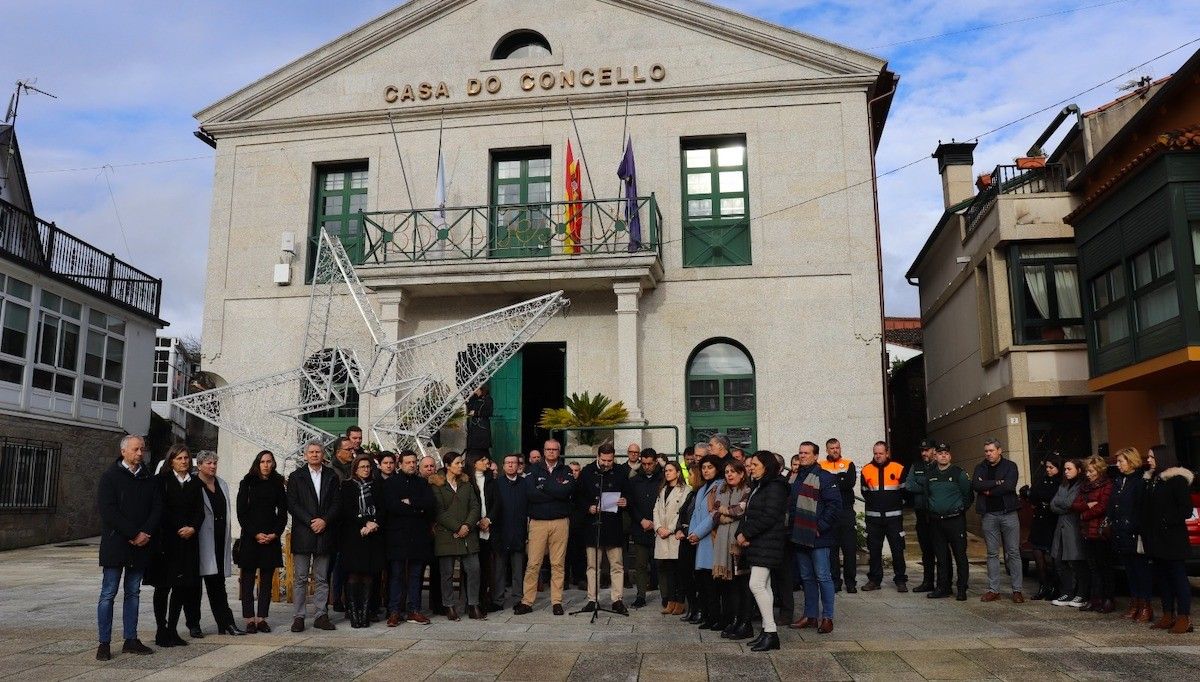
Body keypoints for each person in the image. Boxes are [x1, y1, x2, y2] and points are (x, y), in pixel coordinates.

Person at [96, 434, 161, 661]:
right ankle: (104, 642)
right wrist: (133, 533)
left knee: (133, 592)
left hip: (140, 546)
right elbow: (108, 511)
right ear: (124, 451)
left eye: (142, 449)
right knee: (108, 593)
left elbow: (156, 508)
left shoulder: (148, 479)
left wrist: (146, 533)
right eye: (135, 449)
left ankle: (130, 639)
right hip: (116, 544)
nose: (140, 454)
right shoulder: (110, 477)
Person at [146, 443, 202, 648]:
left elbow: (200, 511)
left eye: (186, 458)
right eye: (179, 458)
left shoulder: (195, 483)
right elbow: (160, 509)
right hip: (166, 542)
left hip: (187, 543)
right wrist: (180, 527)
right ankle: (161, 629)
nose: (184, 462)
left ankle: (173, 630)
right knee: (163, 587)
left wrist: (193, 528)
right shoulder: (161, 481)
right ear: (171, 461)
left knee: (181, 588)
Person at [514, 439, 576, 615]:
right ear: (543, 451)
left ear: (559, 451)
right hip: (538, 523)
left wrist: (545, 487)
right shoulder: (532, 470)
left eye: (554, 449)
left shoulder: (566, 470)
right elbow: (531, 494)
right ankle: (527, 601)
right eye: (548, 449)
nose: (551, 452)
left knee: (558, 563)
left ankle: (556, 601)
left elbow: (567, 492)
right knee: (533, 563)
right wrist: (556, 491)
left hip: (560, 522)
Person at [737, 451, 790, 652]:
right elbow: (749, 513)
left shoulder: (776, 487)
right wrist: (741, 532)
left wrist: (746, 534)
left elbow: (769, 516)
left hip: (768, 542)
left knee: (756, 584)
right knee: (763, 585)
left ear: (766, 466)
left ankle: (771, 632)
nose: (751, 467)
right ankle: (768, 632)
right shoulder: (760, 486)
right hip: (759, 543)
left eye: (755, 465)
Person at [287, 440, 341, 632]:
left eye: (318, 451)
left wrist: (324, 521)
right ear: (305, 455)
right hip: (303, 532)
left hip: (325, 532)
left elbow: (337, 503)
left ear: (323, 455)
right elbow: (292, 504)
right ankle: (299, 616)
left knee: (322, 577)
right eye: (311, 452)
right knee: (300, 578)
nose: (315, 455)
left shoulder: (331, 476)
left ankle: (320, 615)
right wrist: (312, 521)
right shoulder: (296, 476)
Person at [788, 441, 841, 634]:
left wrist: (819, 527)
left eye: (806, 453)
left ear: (816, 456)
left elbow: (834, 506)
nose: (802, 456)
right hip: (799, 535)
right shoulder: (795, 478)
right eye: (800, 452)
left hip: (818, 537)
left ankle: (827, 617)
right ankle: (810, 616)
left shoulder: (825, 478)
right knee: (807, 578)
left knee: (823, 577)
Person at [189, 451, 244, 636]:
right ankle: (194, 624)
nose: (212, 466)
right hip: (199, 542)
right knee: (195, 588)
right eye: (208, 463)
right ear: (200, 465)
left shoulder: (222, 484)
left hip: (219, 542)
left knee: (218, 586)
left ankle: (226, 623)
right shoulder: (193, 484)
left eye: (214, 463)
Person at [1143, 444, 1194, 634]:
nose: (1148, 460)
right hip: (1156, 539)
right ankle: (1167, 614)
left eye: (1151, 457)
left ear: (1162, 458)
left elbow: (1186, 509)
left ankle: (1184, 617)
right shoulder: (1152, 480)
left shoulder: (1177, 480)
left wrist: (1165, 520)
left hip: (1173, 539)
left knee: (1178, 577)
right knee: (1162, 578)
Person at [235, 450, 287, 634]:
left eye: (269, 461)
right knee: (248, 580)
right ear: (257, 463)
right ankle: (249, 618)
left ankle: (262, 618)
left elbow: (282, 513)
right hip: (251, 537)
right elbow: (241, 513)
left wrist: (275, 533)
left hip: (271, 537)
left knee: (266, 581)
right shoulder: (247, 482)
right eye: (263, 461)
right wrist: (255, 533)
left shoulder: (278, 484)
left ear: (273, 464)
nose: (266, 465)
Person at [382, 451, 435, 626]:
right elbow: (391, 506)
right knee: (396, 575)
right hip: (397, 536)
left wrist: (410, 502)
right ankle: (394, 611)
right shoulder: (391, 483)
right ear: (400, 464)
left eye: (414, 462)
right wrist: (415, 509)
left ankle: (414, 610)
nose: (411, 465)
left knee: (415, 575)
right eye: (408, 462)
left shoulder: (422, 483)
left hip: (418, 537)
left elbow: (429, 504)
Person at [430, 452, 485, 621]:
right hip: (447, 535)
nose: (461, 465)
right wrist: (456, 527)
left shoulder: (466, 484)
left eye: (461, 463)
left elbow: (475, 506)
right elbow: (439, 511)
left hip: (468, 535)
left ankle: (473, 605)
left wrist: (466, 526)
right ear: (447, 466)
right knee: (446, 573)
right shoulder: (437, 485)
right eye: (457, 463)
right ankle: (449, 606)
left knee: (473, 569)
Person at [578, 443, 629, 614]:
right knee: (592, 566)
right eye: (604, 460)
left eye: (610, 460)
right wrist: (589, 507)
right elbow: (578, 497)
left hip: (613, 524)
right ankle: (592, 599)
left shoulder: (621, 472)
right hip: (593, 525)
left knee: (617, 564)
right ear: (598, 457)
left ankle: (617, 599)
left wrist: (625, 501)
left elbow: (629, 493)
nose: (607, 463)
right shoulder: (587, 472)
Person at [972, 439, 1024, 603]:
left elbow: (1009, 486)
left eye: (991, 450)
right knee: (992, 553)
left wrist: (988, 490)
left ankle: (1017, 590)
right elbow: (976, 485)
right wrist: (996, 483)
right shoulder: (980, 467)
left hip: (1008, 513)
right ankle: (994, 590)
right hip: (989, 514)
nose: (988, 453)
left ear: (999, 450)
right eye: (986, 451)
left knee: (1013, 552)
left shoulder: (1010, 466)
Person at [338, 455, 386, 628]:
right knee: (353, 574)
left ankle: (365, 612)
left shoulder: (377, 485)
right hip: (353, 535)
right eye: (362, 466)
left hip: (373, 535)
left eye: (368, 467)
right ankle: (353, 612)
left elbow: (382, 508)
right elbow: (346, 510)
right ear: (355, 469)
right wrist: (364, 522)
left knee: (368, 574)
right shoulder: (347, 485)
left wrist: (373, 524)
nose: (366, 469)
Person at [923, 443, 972, 601]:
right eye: (940, 453)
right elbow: (927, 496)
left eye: (946, 453)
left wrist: (959, 509)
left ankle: (962, 588)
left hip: (955, 521)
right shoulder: (930, 475)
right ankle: (943, 587)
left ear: (950, 456)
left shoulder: (959, 474)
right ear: (935, 456)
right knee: (942, 557)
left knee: (960, 555)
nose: (943, 456)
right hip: (937, 522)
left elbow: (968, 496)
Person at [1107, 447, 1151, 622]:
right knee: (1130, 571)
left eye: (1121, 461)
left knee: (1141, 570)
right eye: (1117, 461)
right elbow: (1113, 505)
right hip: (1120, 532)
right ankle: (1134, 604)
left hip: (1134, 533)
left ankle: (1145, 605)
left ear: (1131, 461)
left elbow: (1141, 508)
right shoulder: (1119, 481)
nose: (1118, 465)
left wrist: (1134, 526)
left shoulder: (1139, 481)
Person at [710, 461, 751, 638]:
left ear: (742, 473)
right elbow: (714, 511)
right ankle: (733, 619)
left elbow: (741, 510)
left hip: (738, 543)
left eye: (733, 471)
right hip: (722, 543)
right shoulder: (723, 490)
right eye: (726, 472)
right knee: (729, 587)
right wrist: (724, 513)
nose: (729, 475)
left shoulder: (747, 490)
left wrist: (724, 512)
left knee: (742, 586)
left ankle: (744, 621)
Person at [860, 441, 907, 592]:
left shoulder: (898, 468)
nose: (878, 456)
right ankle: (874, 580)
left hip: (894, 519)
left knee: (897, 550)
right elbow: (864, 492)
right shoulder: (866, 470)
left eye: (881, 453)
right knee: (874, 551)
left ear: (887, 453)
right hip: (873, 519)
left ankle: (900, 580)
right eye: (875, 453)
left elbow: (905, 492)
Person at [1072, 455, 1114, 613]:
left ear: (1099, 470)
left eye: (1091, 471)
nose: (1087, 474)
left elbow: (1103, 506)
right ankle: (1095, 598)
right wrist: (1086, 506)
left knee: (1105, 566)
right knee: (1093, 567)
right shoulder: (1084, 486)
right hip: (1086, 531)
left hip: (1101, 531)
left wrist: (1084, 514)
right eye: (1087, 471)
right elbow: (1075, 504)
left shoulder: (1107, 485)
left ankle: (1108, 599)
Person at [684, 455, 723, 626]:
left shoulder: (720, 485)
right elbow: (695, 513)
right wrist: (692, 533)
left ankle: (715, 617)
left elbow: (714, 514)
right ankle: (707, 615)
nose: (706, 470)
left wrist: (697, 533)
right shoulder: (701, 489)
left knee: (712, 582)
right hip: (699, 539)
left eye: (710, 467)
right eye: (704, 467)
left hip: (711, 539)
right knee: (702, 580)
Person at [820, 437, 858, 593]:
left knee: (849, 549)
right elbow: (821, 485)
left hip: (846, 511)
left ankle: (851, 582)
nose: (835, 450)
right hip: (830, 512)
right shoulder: (821, 465)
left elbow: (849, 483)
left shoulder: (849, 464)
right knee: (832, 550)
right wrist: (838, 481)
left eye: (837, 448)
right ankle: (836, 581)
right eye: (832, 448)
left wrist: (831, 483)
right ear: (827, 450)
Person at [627, 448, 663, 608]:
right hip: (640, 527)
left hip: (658, 528)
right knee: (640, 564)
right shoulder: (634, 480)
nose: (647, 466)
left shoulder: (662, 479)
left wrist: (657, 523)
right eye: (644, 463)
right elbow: (630, 504)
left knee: (661, 564)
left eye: (650, 463)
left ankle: (666, 596)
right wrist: (641, 520)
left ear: (655, 462)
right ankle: (640, 595)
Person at [1049, 459, 1087, 608]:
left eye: (1069, 469)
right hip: (1061, 527)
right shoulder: (1063, 485)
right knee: (1059, 561)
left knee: (1077, 561)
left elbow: (1072, 503)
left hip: (1074, 527)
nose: (1066, 471)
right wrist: (1065, 506)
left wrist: (1065, 505)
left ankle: (1081, 593)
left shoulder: (1081, 486)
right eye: (1065, 469)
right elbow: (1053, 504)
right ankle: (1067, 591)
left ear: (1078, 469)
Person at [467, 452, 502, 611]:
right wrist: (476, 521)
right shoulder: (466, 480)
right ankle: (472, 601)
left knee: (487, 565)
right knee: (472, 568)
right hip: (472, 528)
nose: (486, 462)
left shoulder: (491, 480)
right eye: (482, 460)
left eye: (487, 459)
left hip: (488, 528)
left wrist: (488, 519)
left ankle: (484, 600)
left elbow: (497, 503)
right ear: (474, 463)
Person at [493, 454, 528, 610]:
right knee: (499, 570)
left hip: (519, 532)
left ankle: (517, 599)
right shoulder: (496, 484)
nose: (511, 465)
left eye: (514, 463)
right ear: (503, 465)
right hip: (501, 532)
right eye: (507, 463)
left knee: (518, 570)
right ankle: (498, 600)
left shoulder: (525, 483)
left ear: (518, 465)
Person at [653, 461, 688, 616]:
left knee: (679, 571)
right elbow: (656, 510)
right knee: (668, 571)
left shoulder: (685, 490)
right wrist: (659, 527)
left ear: (678, 472)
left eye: (670, 470)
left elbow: (683, 512)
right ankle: (670, 601)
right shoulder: (663, 490)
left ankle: (680, 602)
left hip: (675, 535)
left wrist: (670, 529)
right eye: (666, 470)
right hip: (662, 535)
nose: (667, 473)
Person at [1026, 455, 1063, 600]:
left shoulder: (1060, 482)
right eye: (1047, 467)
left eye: (1051, 467)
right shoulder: (1041, 479)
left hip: (1052, 520)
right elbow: (1033, 495)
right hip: (1039, 519)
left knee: (1053, 556)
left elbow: (1055, 497)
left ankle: (1055, 586)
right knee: (1037, 552)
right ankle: (1043, 585)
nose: (1048, 470)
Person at [905, 439, 937, 593]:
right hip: (921, 513)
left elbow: (941, 485)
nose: (924, 453)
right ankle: (928, 582)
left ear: (934, 451)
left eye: (927, 450)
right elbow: (909, 485)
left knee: (941, 550)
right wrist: (929, 485)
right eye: (922, 450)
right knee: (926, 551)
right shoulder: (916, 466)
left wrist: (924, 484)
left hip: (937, 514)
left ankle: (944, 583)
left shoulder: (940, 465)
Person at [465, 385, 493, 460]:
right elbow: (469, 408)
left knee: (483, 448)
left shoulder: (488, 399)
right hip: (474, 426)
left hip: (483, 426)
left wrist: (476, 413)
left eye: (476, 389)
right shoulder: (474, 399)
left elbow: (489, 412)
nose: (475, 391)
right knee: (473, 446)